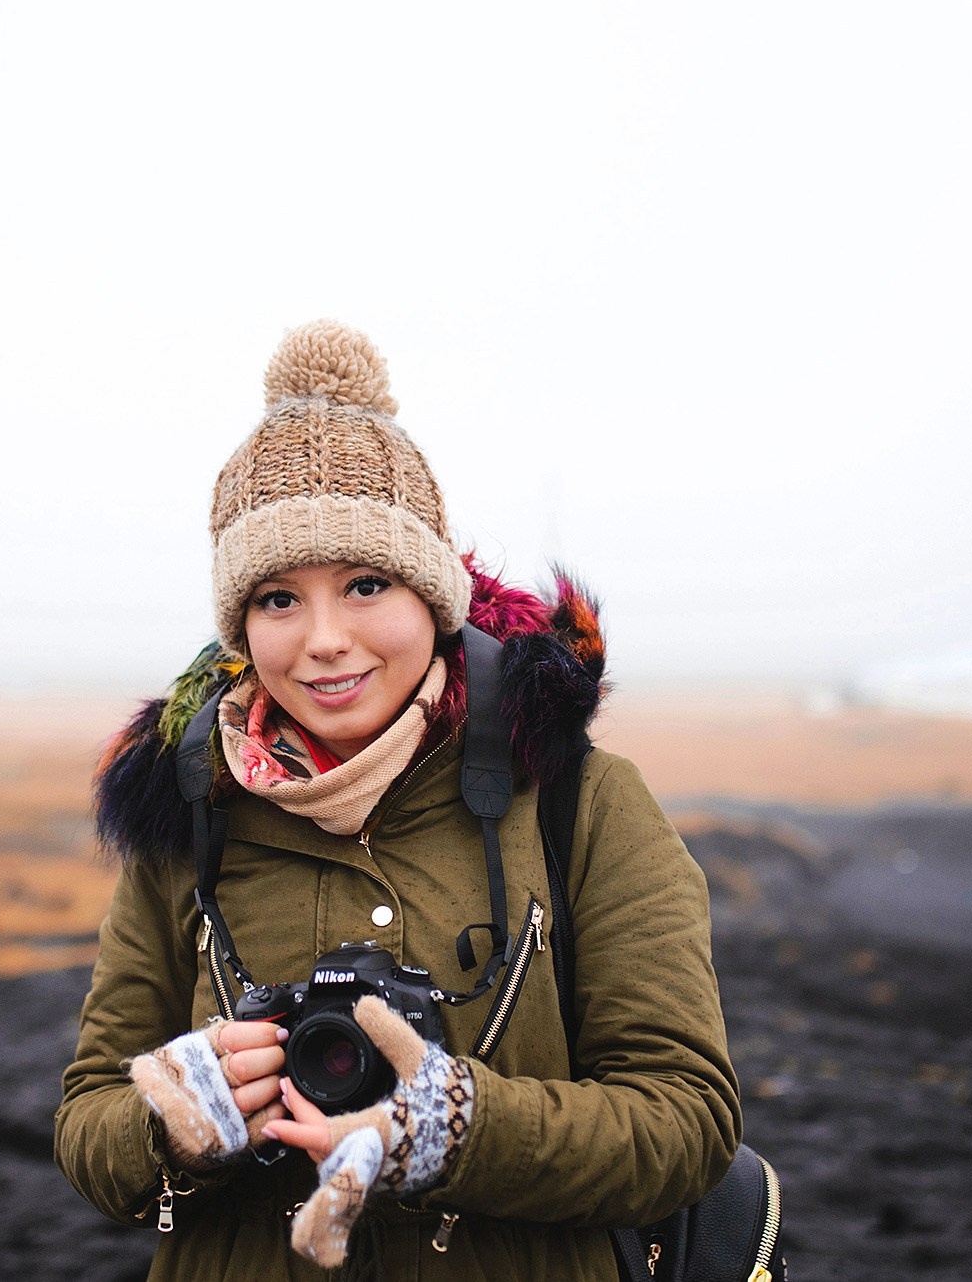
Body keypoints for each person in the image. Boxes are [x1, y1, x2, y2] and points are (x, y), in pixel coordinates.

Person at [55, 321, 739, 1280]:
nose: (323, 639)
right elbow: (88, 1126)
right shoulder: (191, 814)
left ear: (435, 594)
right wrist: (170, 1119)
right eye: (278, 599)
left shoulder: (579, 806)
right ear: (240, 624)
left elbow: (686, 1119)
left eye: (367, 584)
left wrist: (461, 1130)